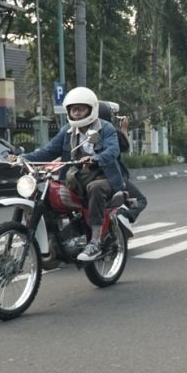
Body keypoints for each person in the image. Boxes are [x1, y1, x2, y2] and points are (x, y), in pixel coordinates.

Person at [17, 86, 125, 262]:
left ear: (91, 109)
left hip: (104, 176)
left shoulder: (106, 128)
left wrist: (95, 158)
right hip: (77, 177)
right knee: (48, 191)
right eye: (73, 109)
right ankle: (55, 237)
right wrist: (22, 158)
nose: (76, 113)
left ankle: (95, 243)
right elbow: (48, 152)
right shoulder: (67, 131)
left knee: (95, 188)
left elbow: (113, 151)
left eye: (81, 109)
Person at [97, 101, 147, 224]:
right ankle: (122, 214)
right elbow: (125, 147)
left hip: (89, 176)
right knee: (141, 200)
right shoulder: (111, 132)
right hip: (112, 175)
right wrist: (124, 129)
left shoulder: (79, 133)